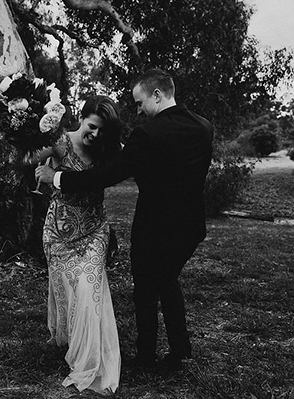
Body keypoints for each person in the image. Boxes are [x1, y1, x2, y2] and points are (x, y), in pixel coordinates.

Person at [35, 68, 214, 369]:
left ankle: (146, 356)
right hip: (190, 227)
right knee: (168, 280)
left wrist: (57, 178)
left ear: (157, 94)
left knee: (146, 289)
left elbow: (106, 176)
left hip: (154, 227)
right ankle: (180, 349)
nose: (139, 110)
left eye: (140, 102)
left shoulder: (149, 134)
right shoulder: (204, 127)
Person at [30, 95, 123, 394]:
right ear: (81, 118)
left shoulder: (110, 150)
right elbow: (26, 158)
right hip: (58, 233)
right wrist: (23, 130)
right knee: (67, 291)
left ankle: (89, 361)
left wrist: (55, 176)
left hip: (94, 230)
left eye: (102, 131)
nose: (95, 134)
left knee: (88, 290)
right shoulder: (60, 141)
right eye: (92, 126)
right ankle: (71, 340)